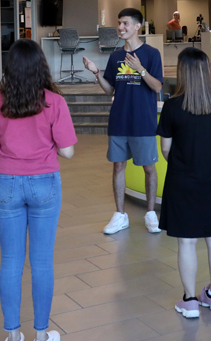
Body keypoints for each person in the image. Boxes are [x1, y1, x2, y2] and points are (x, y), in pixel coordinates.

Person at [0, 39, 77, 341]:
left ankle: (12, 338)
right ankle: (42, 336)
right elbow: (68, 151)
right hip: (44, 182)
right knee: (42, 261)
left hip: (6, 184)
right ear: (40, 66)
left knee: (10, 261)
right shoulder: (53, 101)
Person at [157, 47, 211, 319]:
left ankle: (190, 300)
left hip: (182, 180)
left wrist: (183, 160)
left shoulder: (171, 107)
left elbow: (165, 149)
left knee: (187, 243)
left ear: (182, 72)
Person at [82, 8, 164, 235]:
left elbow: (157, 86)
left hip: (143, 122)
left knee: (149, 168)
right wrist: (96, 72)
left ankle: (150, 214)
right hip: (119, 121)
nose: (121, 28)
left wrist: (140, 70)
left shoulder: (151, 54)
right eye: (120, 23)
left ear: (138, 26)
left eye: (126, 23)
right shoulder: (115, 56)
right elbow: (110, 90)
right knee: (118, 166)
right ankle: (120, 215)